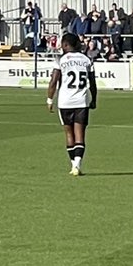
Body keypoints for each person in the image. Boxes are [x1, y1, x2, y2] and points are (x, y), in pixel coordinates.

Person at [46, 30, 97, 176]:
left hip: (65, 102)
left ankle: (73, 165)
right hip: (81, 101)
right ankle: (78, 165)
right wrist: (94, 99)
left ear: (66, 44)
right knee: (80, 134)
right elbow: (92, 83)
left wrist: (49, 99)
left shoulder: (61, 60)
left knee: (69, 134)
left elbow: (53, 81)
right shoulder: (87, 60)